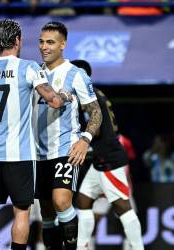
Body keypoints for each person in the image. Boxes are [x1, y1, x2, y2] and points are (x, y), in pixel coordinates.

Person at [0, 19, 72, 250]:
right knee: (22, 212)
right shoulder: (28, 67)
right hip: (20, 156)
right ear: (18, 40)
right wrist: (65, 96)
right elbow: (52, 101)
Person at [33, 22, 102, 250]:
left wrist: (85, 140)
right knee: (47, 213)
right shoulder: (33, 71)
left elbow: (95, 112)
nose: (44, 47)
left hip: (65, 149)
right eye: (42, 42)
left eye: (50, 42)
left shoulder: (76, 74)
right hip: (37, 153)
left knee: (61, 201)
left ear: (63, 45)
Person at [71, 59, 144, 250]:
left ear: (80, 76)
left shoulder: (88, 96)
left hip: (109, 158)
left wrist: (79, 142)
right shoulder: (95, 92)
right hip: (100, 159)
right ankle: (82, 247)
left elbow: (95, 128)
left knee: (122, 206)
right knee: (84, 199)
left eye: (71, 73)